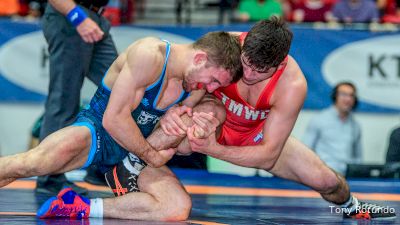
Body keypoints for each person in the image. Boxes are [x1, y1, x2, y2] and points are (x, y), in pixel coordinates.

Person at [109, 17, 395, 220]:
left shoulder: (292, 84)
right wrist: (177, 107)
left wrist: (214, 150)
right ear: (243, 45)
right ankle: (128, 167)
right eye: (245, 64)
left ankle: (351, 205)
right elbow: (187, 72)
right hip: (212, 119)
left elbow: (268, 156)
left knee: (327, 180)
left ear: (279, 63)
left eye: (260, 71)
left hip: (254, 136)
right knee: (198, 112)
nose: (248, 74)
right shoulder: (228, 45)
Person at [0, 31, 243, 221]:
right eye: (212, 80)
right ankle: (126, 167)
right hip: (99, 135)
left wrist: (175, 123)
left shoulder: (194, 87)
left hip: (135, 151)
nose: (211, 88)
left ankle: (81, 207)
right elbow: (114, 119)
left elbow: (181, 145)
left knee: (176, 207)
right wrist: (150, 155)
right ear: (200, 58)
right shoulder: (150, 55)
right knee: (32, 163)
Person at [37, 0, 118, 194]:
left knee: (122, 91)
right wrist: (76, 16)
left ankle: (101, 165)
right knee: (64, 100)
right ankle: (50, 177)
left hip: (95, 16)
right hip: (71, 16)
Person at [303, 82, 362, 175]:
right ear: (335, 97)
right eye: (344, 94)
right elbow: (306, 150)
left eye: (351, 95)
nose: (348, 99)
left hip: (347, 177)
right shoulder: (319, 119)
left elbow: (358, 158)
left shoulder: (355, 125)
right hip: (323, 174)